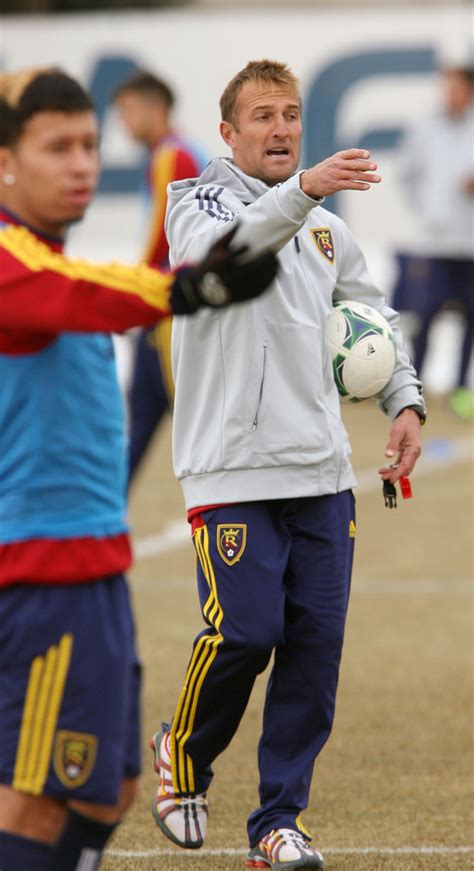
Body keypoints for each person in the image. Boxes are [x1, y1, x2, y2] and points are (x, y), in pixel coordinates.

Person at [149, 59, 426, 871]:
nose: (281, 128)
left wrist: (404, 399)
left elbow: (367, 312)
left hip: (321, 475)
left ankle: (277, 821)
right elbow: (220, 252)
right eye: (262, 116)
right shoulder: (193, 202)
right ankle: (185, 759)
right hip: (229, 472)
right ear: (228, 132)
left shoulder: (327, 227)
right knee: (246, 631)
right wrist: (303, 188)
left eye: (292, 114)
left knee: (315, 647)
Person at [0, 66, 277, 871]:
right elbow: (72, 291)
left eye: (89, 143)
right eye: (57, 146)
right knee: (37, 796)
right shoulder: (21, 261)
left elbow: (78, 286)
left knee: (106, 788)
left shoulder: (50, 258)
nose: (83, 161)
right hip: (41, 572)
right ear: (6, 162)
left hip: (93, 566)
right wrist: (189, 289)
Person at [113, 70, 209, 483]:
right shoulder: (180, 151)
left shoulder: (172, 155)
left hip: (169, 309)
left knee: (177, 424)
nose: (124, 122)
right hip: (175, 304)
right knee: (150, 424)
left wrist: (132, 296)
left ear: (157, 109)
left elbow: (161, 241)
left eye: (129, 111)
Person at [392, 63, 474, 420]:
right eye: (446, 86)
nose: (449, 93)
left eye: (456, 86)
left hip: (471, 243)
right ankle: (414, 388)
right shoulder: (424, 127)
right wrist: (428, 210)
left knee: (471, 318)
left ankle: (460, 389)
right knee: (425, 315)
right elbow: (406, 174)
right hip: (436, 243)